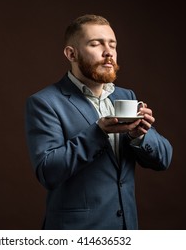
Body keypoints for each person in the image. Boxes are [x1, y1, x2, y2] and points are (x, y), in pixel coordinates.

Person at [24, 14, 173, 230]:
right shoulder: (44, 102)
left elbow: (164, 159)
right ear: (71, 54)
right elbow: (48, 172)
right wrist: (98, 132)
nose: (108, 52)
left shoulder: (127, 97)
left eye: (112, 44)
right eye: (96, 44)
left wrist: (140, 135)